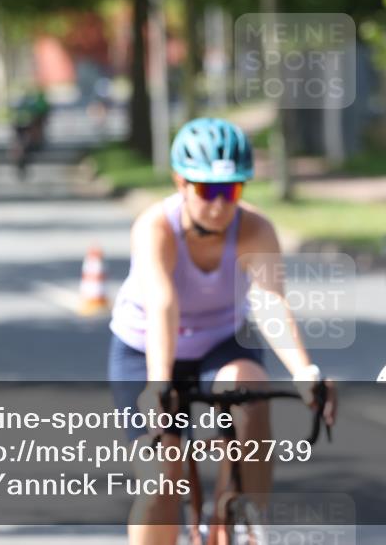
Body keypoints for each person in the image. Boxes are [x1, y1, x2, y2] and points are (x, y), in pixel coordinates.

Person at [108, 117, 337, 544]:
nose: (218, 204)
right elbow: (163, 304)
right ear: (180, 182)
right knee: (163, 476)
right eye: (206, 190)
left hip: (219, 342)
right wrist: (159, 382)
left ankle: (242, 522)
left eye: (230, 190)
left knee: (252, 389)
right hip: (147, 347)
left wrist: (305, 371)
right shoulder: (155, 227)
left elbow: (269, 301)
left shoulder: (255, 228)